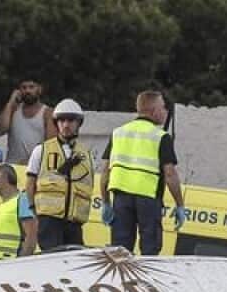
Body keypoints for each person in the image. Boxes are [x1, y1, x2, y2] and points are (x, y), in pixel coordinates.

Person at [99, 91, 187, 256]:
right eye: (163, 107)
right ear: (154, 111)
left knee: (119, 253)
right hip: (148, 199)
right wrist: (180, 204)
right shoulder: (161, 137)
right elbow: (170, 175)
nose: (165, 111)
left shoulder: (118, 133)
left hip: (121, 199)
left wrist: (105, 202)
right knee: (149, 252)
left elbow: (105, 172)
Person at [25, 98, 93, 251]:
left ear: (78, 123)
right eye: (62, 121)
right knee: (51, 260)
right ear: (56, 123)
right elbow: (30, 183)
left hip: (74, 222)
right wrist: (33, 210)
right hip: (50, 221)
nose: (66, 125)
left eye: (71, 120)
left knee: (75, 261)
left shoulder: (86, 154)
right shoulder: (41, 150)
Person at [0, 79, 57, 165]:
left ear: (39, 89)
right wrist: (11, 102)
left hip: (35, 167)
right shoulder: (13, 110)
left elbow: (50, 144)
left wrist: (29, 161)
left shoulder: (48, 113)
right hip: (11, 167)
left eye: (31, 87)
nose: (27, 91)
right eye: (24, 87)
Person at [0, 163, 37, 261]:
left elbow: (31, 237)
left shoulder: (22, 200)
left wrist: (20, 263)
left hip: (10, 265)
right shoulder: (2, 207)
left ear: (5, 177)